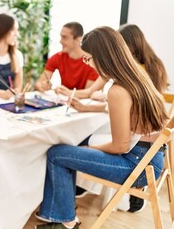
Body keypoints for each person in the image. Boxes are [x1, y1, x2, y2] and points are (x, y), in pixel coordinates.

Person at [35, 26, 168, 229]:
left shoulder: (118, 90)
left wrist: (89, 149)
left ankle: (65, 222)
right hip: (152, 159)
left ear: (102, 56)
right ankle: (61, 215)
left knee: (57, 153)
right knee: (73, 146)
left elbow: (120, 146)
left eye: (88, 59)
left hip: (138, 166)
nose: (87, 64)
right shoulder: (138, 78)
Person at [35, 22, 99, 92]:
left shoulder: (91, 61)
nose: (60, 41)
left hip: (82, 102)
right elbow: (39, 83)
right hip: (64, 100)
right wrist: (42, 86)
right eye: (61, 37)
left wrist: (64, 91)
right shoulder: (58, 57)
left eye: (65, 37)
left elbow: (88, 93)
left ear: (78, 39)